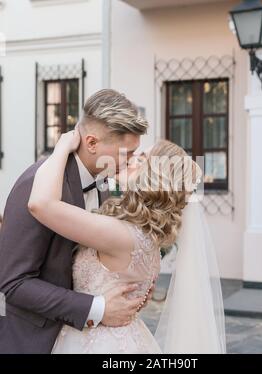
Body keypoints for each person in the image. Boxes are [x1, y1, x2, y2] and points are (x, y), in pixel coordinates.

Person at [28, 128, 226, 354]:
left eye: (140, 159)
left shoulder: (120, 234)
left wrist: (61, 148)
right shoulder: (145, 235)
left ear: (153, 177)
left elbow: (41, 205)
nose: (129, 161)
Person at [0, 89, 153, 354]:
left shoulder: (107, 183)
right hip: (39, 342)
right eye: (125, 153)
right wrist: (98, 308)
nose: (131, 162)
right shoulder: (34, 186)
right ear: (92, 143)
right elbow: (14, 283)